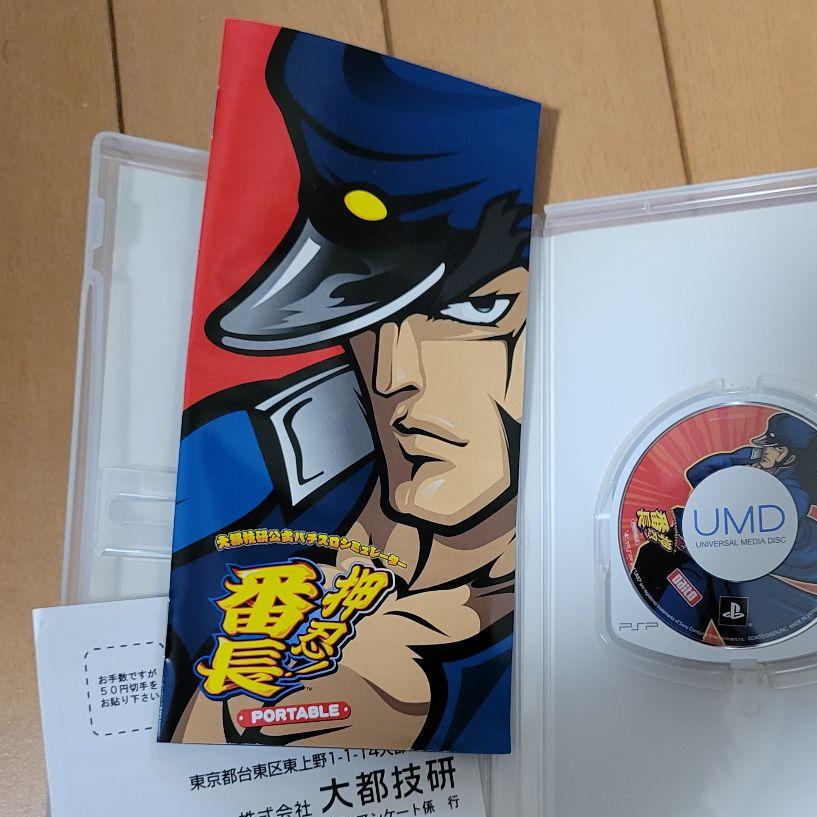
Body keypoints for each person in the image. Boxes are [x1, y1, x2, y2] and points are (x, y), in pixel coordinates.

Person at [161, 29, 539, 752]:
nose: (393, 375)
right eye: (370, 318)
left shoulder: (595, 570)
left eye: (473, 311)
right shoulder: (236, 466)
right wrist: (230, 718)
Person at [631, 411, 817, 645]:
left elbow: (748, 521)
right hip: (715, 557)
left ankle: (669, 640)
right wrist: (743, 458)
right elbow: (696, 474)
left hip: (752, 575)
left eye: (775, 448)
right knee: (655, 554)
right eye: (766, 445)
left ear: (789, 456)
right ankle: (657, 632)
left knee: (694, 579)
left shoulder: (793, 492)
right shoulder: (749, 466)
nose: (766, 451)